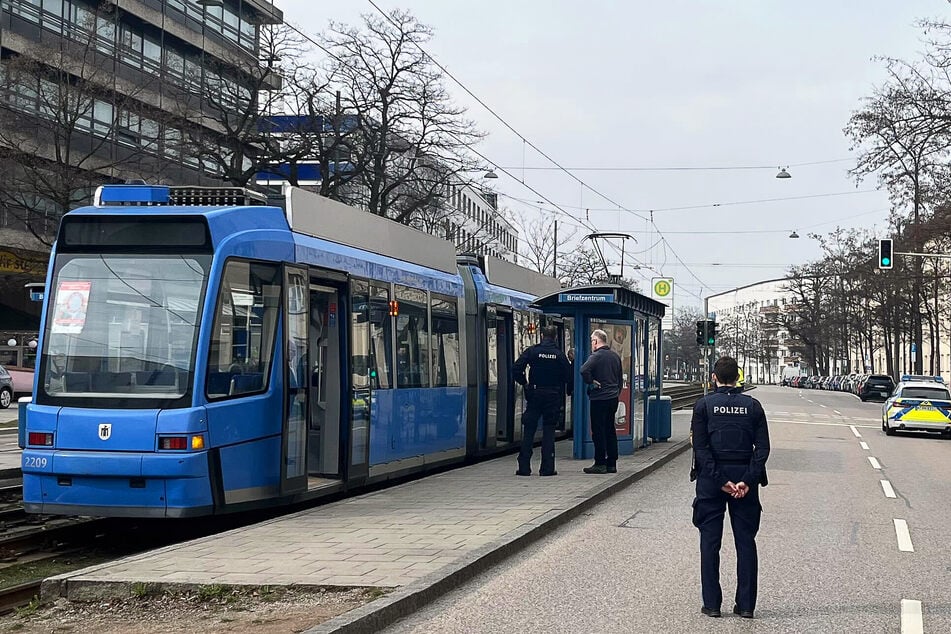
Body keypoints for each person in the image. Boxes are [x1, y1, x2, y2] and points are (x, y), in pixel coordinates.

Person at [690, 356, 770, 620]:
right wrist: (747, 480)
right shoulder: (753, 407)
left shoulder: (703, 406)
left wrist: (720, 480)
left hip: (711, 483)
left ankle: (712, 604)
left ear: (714, 378)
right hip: (744, 480)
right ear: (738, 378)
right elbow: (763, 449)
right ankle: (746, 606)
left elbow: (701, 449)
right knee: (745, 542)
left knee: (710, 542)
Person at [512, 325, 572, 476]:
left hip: (535, 394)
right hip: (552, 395)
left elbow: (516, 368)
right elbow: (568, 376)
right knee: (549, 431)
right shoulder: (559, 355)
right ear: (555, 337)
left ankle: (524, 467)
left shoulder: (533, 351)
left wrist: (525, 383)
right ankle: (547, 468)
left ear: (542, 336)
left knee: (529, 429)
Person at [580, 329, 622, 474]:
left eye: (592, 341)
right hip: (612, 398)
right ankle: (612, 463)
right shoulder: (615, 356)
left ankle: (600, 463)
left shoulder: (596, 356)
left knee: (598, 431)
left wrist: (591, 382)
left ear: (596, 341)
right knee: (610, 430)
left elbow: (583, 370)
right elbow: (620, 379)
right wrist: (616, 392)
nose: (591, 344)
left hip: (599, 398)